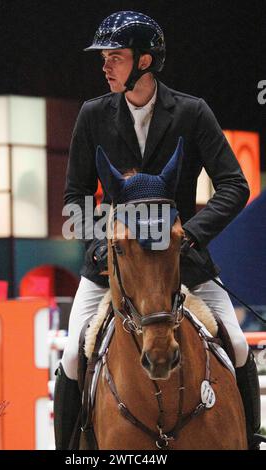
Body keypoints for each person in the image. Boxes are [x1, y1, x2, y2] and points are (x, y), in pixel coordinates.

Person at [54, 11, 264, 450]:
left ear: (144, 62)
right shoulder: (93, 116)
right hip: (115, 266)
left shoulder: (191, 112)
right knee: (73, 356)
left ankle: (249, 438)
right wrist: (100, 243)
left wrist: (191, 234)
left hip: (182, 260)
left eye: (115, 57)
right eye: (105, 58)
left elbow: (235, 184)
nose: (105, 66)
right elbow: (75, 196)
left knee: (239, 346)